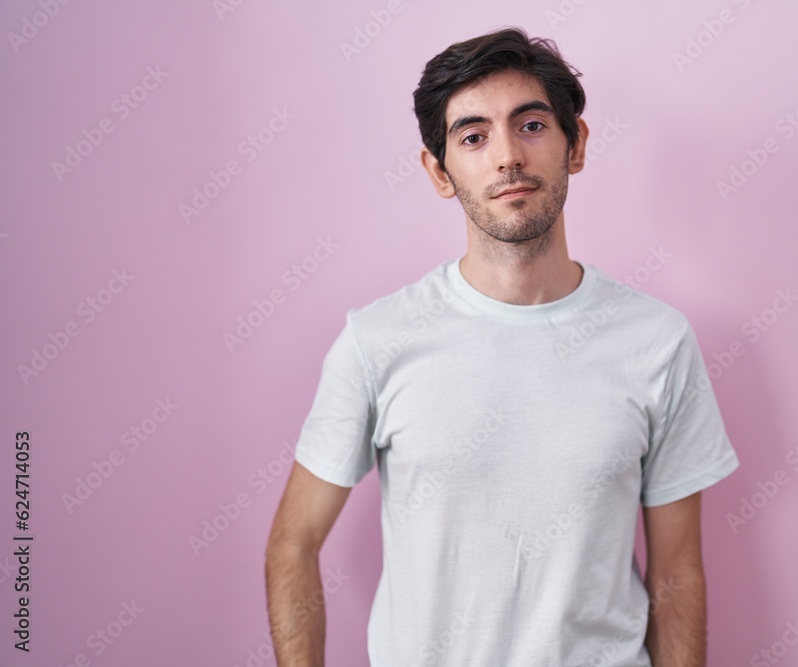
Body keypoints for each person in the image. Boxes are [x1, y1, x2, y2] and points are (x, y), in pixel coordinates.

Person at [265, 26, 739, 667]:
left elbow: (677, 574)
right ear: (439, 171)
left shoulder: (657, 342)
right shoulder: (377, 341)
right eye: (473, 136)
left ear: (575, 146)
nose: (507, 156)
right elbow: (293, 543)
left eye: (533, 125)